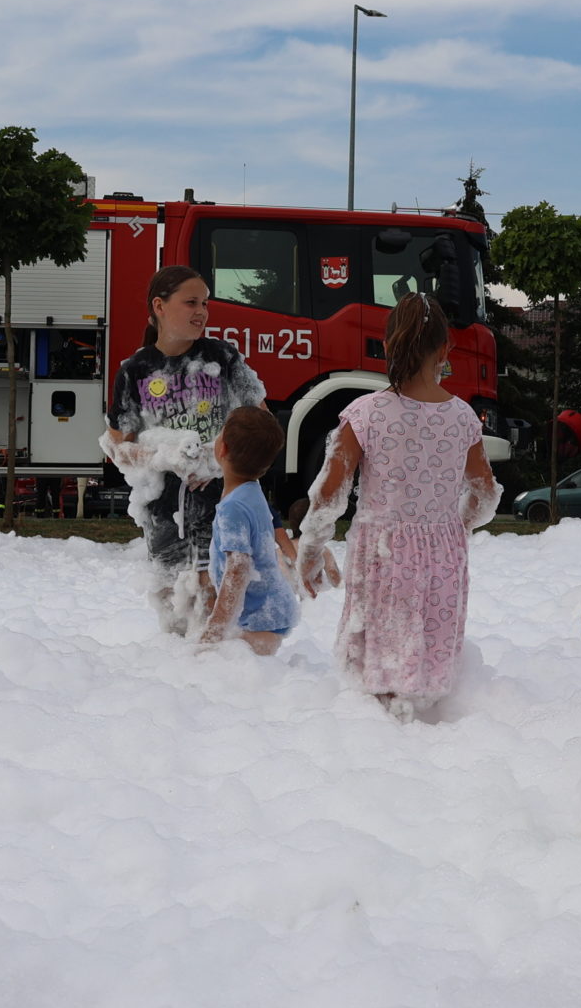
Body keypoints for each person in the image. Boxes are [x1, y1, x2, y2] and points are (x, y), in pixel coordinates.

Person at [298, 293, 501, 719]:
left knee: (378, 664)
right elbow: (485, 492)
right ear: (446, 350)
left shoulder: (365, 414)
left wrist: (311, 550)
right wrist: (458, 527)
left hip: (384, 551)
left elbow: (328, 496)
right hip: (444, 550)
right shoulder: (463, 417)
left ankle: (380, 738)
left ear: (387, 347)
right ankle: (429, 728)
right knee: (431, 651)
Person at [103, 265, 265, 631]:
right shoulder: (136, 370)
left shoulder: (223, 359)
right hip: (162, 508)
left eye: (205, 304)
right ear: (159, 306)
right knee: (173, 611)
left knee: (213, 599)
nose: (202, 312)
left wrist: (213, 461)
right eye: (191, 302)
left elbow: (261, 424)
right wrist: (168, 455)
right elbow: (118, 450)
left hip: (221, 501)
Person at [199, 406, 299, 655]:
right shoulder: (251, 491)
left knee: (208, 657)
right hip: (269, 610)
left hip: (261, 620)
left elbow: (238, 567)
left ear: (222, 450)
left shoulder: (234, 507)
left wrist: (217, 627)